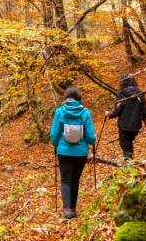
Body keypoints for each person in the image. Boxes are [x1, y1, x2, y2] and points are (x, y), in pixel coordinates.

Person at [50, 86, 96, 219]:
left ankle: (67, 210)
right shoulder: (85, 113)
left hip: (63, 152)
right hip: (80, 153)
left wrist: (55, 144)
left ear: (66, 98)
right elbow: (91, 136)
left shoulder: (60, 111)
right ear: (78, 98)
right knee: (75, 180)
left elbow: (54, 134)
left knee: (65, 180)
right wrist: (91, 143)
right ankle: (73, 209)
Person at [105, 74, 146, 160]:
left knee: (125, 145)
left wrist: (109, 114)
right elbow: (145, 112)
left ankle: (129, 165)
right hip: (136, 126)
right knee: (129, 143)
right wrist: (143, 118)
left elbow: (117, 111)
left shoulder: (121, 94)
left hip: (124, 126)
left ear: (122, 83)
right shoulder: (140, 93)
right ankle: (131, 162)